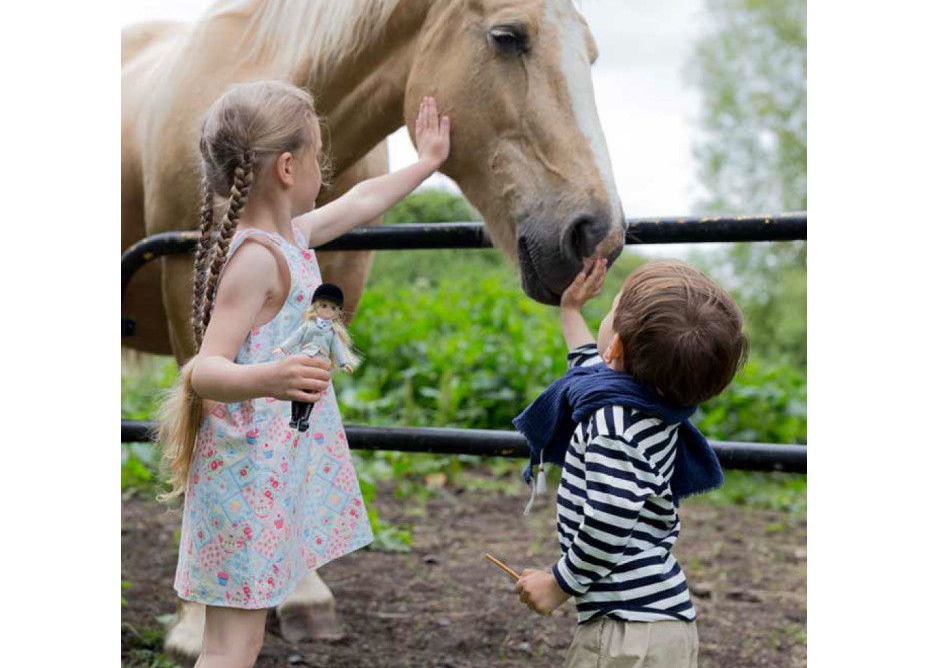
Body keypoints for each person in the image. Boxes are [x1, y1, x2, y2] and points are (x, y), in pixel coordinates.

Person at [156, 79, 450, 668]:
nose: (328, 170)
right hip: (244, 480)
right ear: (289, 168)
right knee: (231, 646)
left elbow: (362, 201)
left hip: (265, 472)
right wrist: (271, 377)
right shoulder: (257, 258)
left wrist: (426, 164)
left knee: (241, 640)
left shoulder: (288, 237)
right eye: (322, 156)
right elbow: (204, 369)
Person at [513, 258, 748, 668]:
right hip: (662, 624)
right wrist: (570, 310)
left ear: (616, 346)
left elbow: (608, 520)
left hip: (626, 632)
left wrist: (558, 584)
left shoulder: (613, 426)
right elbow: (589, 364)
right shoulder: (653, 403)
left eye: (612, 307)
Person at [273, 282, 359, 432]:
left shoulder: (332, 332)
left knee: (311, 391)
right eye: (324, 306)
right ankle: (295, 417)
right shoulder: (308, 326)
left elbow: (337, 349)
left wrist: (344, 363)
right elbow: (296, 337)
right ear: (316, 306)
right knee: (298, 390)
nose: (327, 311)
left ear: (337, 312)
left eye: (333, 308)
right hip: (305, 358)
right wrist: (283, 347)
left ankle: (304, 419)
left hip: (320, 363)